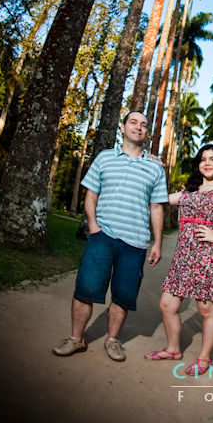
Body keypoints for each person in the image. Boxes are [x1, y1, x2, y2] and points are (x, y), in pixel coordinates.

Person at [53, 110, 168, 362]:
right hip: (102, 236)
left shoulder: (155, 167)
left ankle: (112, 340)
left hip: (135, 242)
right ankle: (76, 339)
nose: (138, 127)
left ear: (147, 132)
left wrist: (157, 242)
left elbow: (156, 206)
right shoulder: (104, 158)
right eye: (133, 122)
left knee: (123, 295)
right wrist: (93, 225)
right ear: (124, 127)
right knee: (86, 289)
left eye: (144, 125)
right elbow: (91, 194)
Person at [145, 144, 213, 376]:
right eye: (203, 159)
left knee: (206, 311)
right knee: (167, 305)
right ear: (198, 164)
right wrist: (153, 167)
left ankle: (204, 358)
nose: (207, 163)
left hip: (207, 260)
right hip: (182, 259)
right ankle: (173, 349)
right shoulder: (187, 193)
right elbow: (156, 198)